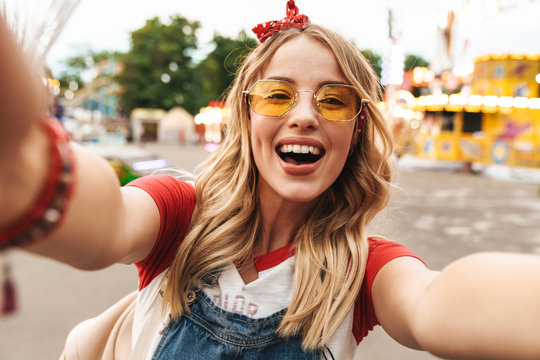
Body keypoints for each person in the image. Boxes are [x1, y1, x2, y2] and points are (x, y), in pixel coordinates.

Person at [1, 1, 540, 359]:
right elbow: (110, 224)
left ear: (356, 130)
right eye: (278, 95)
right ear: (246, 116)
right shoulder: (181, 213)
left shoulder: (363, 269)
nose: (304, 115)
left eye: (334, 100)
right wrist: (29, 176)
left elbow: (435, 303)